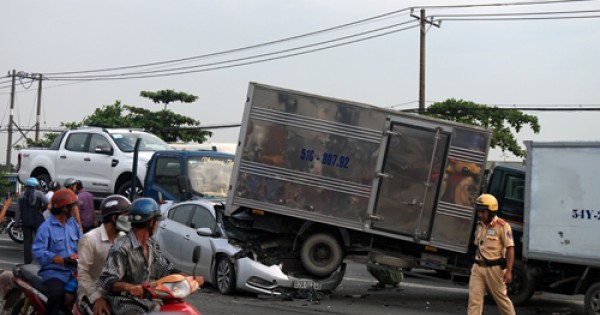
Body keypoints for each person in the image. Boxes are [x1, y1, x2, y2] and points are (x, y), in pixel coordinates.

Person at [99, 198, 197, 314]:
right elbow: (107, 280)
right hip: (127, 305)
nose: (157, 224)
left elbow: (167, 270)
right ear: (150, 222)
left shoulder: (152, 245)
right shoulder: (121, 248)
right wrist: (128, 287)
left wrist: (191, 278)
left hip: (152, 304)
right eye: (156, 221)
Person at [78, 195, 131, 315]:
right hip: (91, 294)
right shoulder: (90, 239)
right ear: (114, 218)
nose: (130, 220)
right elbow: (82, 274)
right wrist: (97, 298)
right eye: (127, 216)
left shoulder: (122, 237)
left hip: (116, 294)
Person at [32, 188, 82, 315]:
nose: (76, 209)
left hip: (75, 270)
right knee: (56, 294)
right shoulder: (46, 227)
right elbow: (37, 250)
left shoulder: (73, 225)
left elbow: (83, 243)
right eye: (73, 207)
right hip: (54, 272)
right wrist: (55, 258)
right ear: (64, 208)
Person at [468, 193, 516, 315]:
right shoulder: (479, 225)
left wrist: (509, 271)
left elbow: (510, 249)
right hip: (478, 268)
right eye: (479, 211)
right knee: (474, 301)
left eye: (483, 212)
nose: (480, 214)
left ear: (491, 211)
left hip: (495, 270)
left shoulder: (502, 226)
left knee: (502, 300)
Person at [17, 177, 49, 264]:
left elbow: (18, 211)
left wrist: (16, 223)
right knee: (41, 241)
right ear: (36, 185)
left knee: (27, 243)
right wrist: (42, 209)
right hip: (38, 221)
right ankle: (42, 260)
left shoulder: (21, 195)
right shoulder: (40, 194)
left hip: (26, 221)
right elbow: (48, 203)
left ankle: (27, 262)